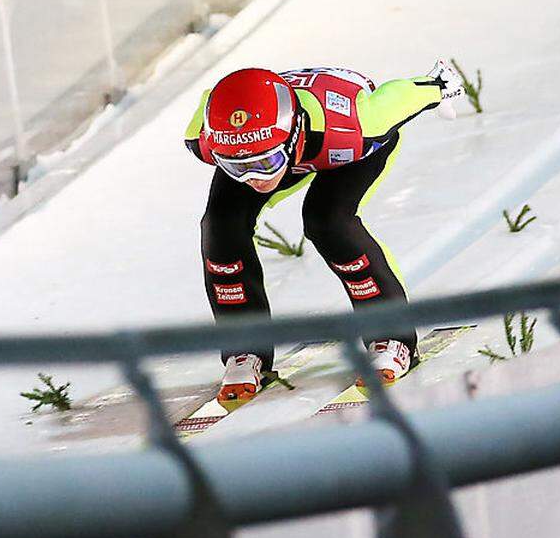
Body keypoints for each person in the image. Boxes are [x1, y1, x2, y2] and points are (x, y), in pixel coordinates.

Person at [183, 61, 465, 410]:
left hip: (339, 144)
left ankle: (393, 338)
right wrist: (257, 162)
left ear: (295, 135)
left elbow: (401, 94)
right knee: (219, 227)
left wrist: (436, 86)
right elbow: (213, 98)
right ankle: (245, 348)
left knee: (328, 221)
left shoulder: (360, 126)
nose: (253, 178)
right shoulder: (205, 138)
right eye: (236, 168)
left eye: (264, 164)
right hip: (283, 138)